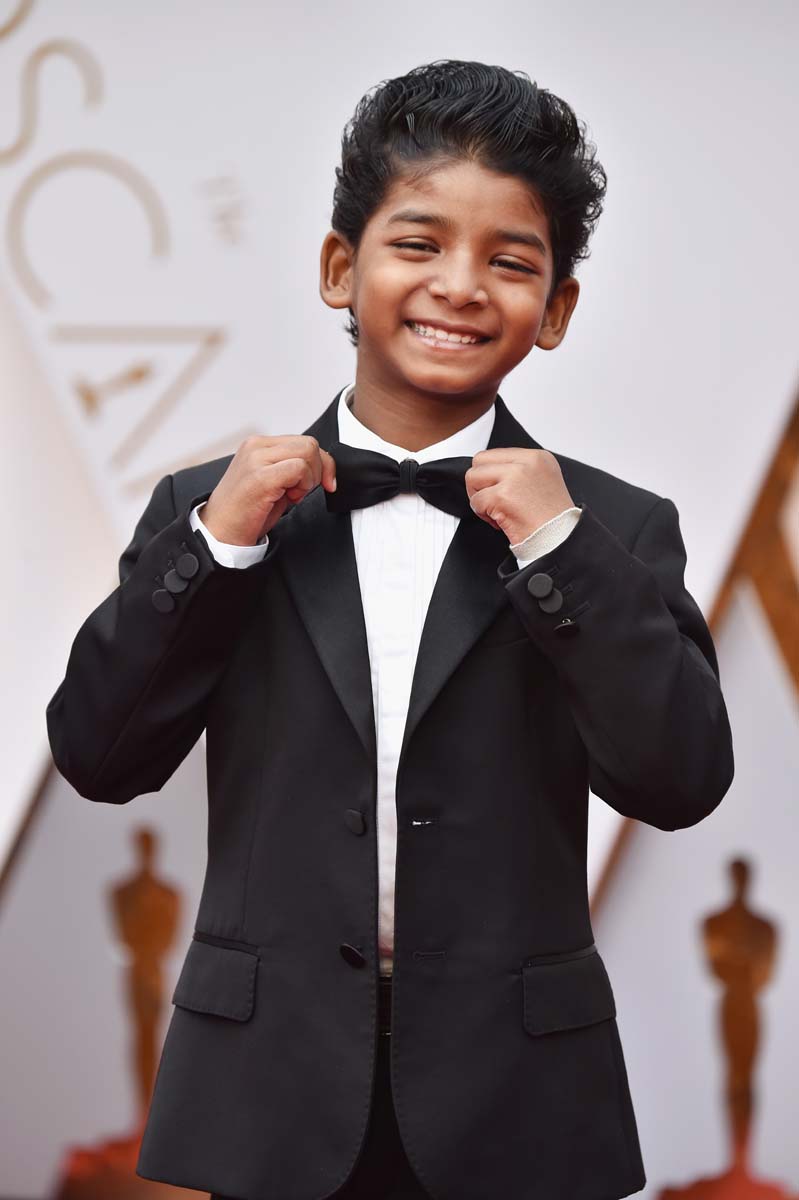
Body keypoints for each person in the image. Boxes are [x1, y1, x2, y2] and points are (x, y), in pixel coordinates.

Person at [46, 59, 735, 1200]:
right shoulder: (211, 512)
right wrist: (217, 550)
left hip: (517, 1099)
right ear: (339, 267)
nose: (459, 285)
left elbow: (678, 778)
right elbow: (100, 754)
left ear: (554, 309)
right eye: (417, 243)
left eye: (510, 262)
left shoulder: (608, 527)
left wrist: (558, 551)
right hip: (271, 1088)